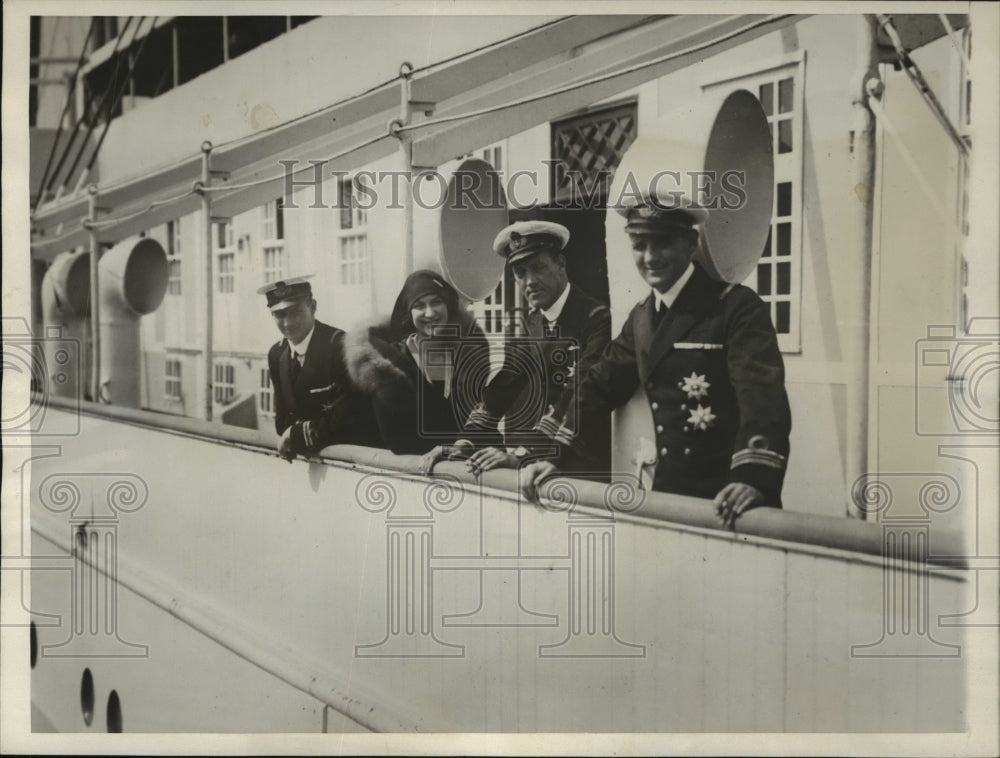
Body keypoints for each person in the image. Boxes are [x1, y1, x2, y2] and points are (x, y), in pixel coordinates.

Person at [520, 190, 792, 528]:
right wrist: (550, 455)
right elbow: (597, 386)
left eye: (662, 242)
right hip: (667, 496)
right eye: (639, 245)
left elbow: (762, 397)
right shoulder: (642, 318)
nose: (650, 257)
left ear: (690, 244)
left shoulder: (735, 307)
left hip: (729, 499)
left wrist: (753, 478)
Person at [462, 220, 612, 477]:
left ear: (561, 265)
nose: (529, 281)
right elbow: (504, 385)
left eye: (539, 268)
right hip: (542, 462)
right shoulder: (532, 323)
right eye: (520, 273)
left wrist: (522, 455)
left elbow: (578, 394)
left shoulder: (596, 319)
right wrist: (464, 441)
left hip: (582, 464)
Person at [344, 270, 502, 473]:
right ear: (409, 314)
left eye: (436, 302)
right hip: (421, 476)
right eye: (419, 306)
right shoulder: (390, 366)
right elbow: (399, 440)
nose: (429, 313)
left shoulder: (466, 356)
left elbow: (485, 423)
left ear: (447, 306)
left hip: (475, 468)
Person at [260, 276, 381, 461]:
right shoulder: (277, 355)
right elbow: (282, 420)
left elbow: (352, 417)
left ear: (313, 306)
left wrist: (297, 434)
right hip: (309, 461)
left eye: (295, 312)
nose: (288, 323)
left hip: (351, 461)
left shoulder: (340, 347)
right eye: (280, 315)